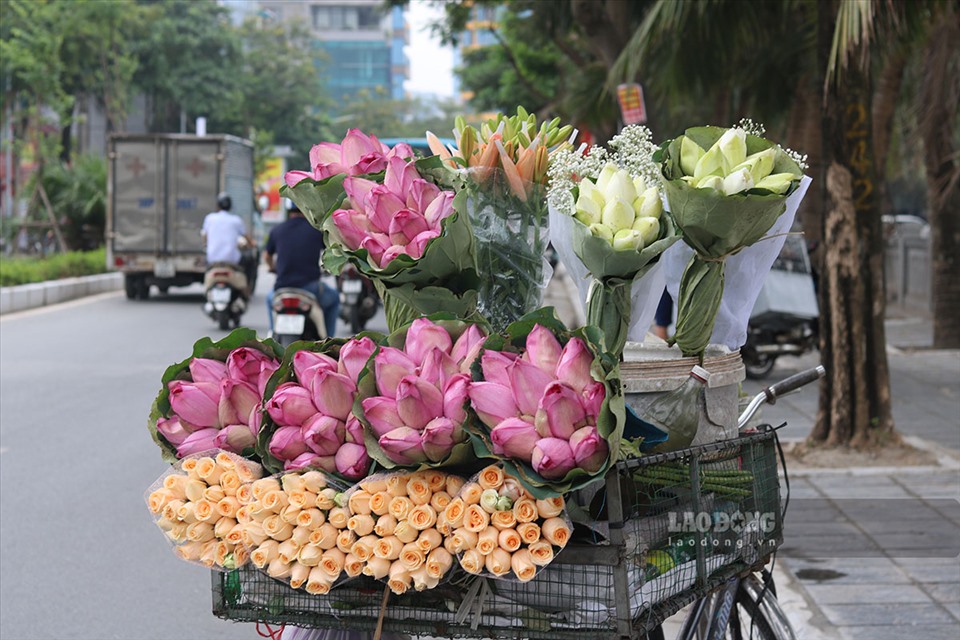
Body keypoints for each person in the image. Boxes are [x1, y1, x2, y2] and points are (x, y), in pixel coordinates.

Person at [263, 199, 340, 337]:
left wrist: (273, 268)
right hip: (310, 288)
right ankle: (329, 342)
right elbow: (331, 251)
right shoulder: (316, 231)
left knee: (269, 300)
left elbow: (267, 256)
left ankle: (272, 333)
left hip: (282, 288)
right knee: (334, 298)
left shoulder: (277, 230)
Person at [202, 192, 250, 296]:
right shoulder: (236, 220)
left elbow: (205, 237)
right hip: (232, 262)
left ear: (217, 205)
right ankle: (247, 290)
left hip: (212, 261)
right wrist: (252, 244)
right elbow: (248, 239)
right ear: (230, 206)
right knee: (249, 260)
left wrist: (206, 245)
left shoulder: (210, 218)